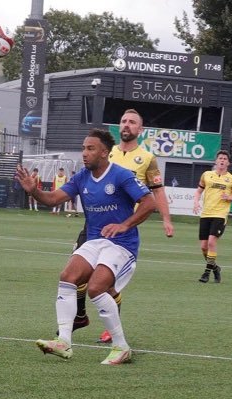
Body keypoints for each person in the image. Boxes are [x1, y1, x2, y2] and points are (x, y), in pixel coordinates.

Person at [17, 128, 156, 364]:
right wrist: (34, 191)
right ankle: (64, 341)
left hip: (122, 245)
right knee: (67, 276)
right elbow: (52, 199)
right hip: (95, 242)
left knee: (96, 288)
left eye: (90, 148)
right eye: (83, 148)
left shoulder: (121, 175)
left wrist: (124, 225)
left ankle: (121, 347)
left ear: (104, 152)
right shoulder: (82, 177)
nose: (84, 153)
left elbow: (149, 202)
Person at [70, 109, 175, 344]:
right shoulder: (104, 151)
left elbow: (157, 192)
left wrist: (166, 219)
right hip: (93, 224)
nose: (126, 125)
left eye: (132, 122)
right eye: (123, 121)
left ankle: (112, 327)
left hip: (120, 229)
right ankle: (79, 315)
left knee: (105, 283)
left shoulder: (147, 159)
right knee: (75, 275)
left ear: (140, 129)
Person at [193, 150, 232, 283]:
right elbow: (198, 191)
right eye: (220, 158)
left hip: (220, 214)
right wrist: (195, 202)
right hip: (206, 214)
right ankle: (215, 268)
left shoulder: (230, 178)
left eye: (225, 159)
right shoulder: (206, 175)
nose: (222, 160)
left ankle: (206, 273)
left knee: (211, 242)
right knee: (204, 247)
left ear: (228, 163)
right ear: (216, 161)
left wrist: (229, 197)